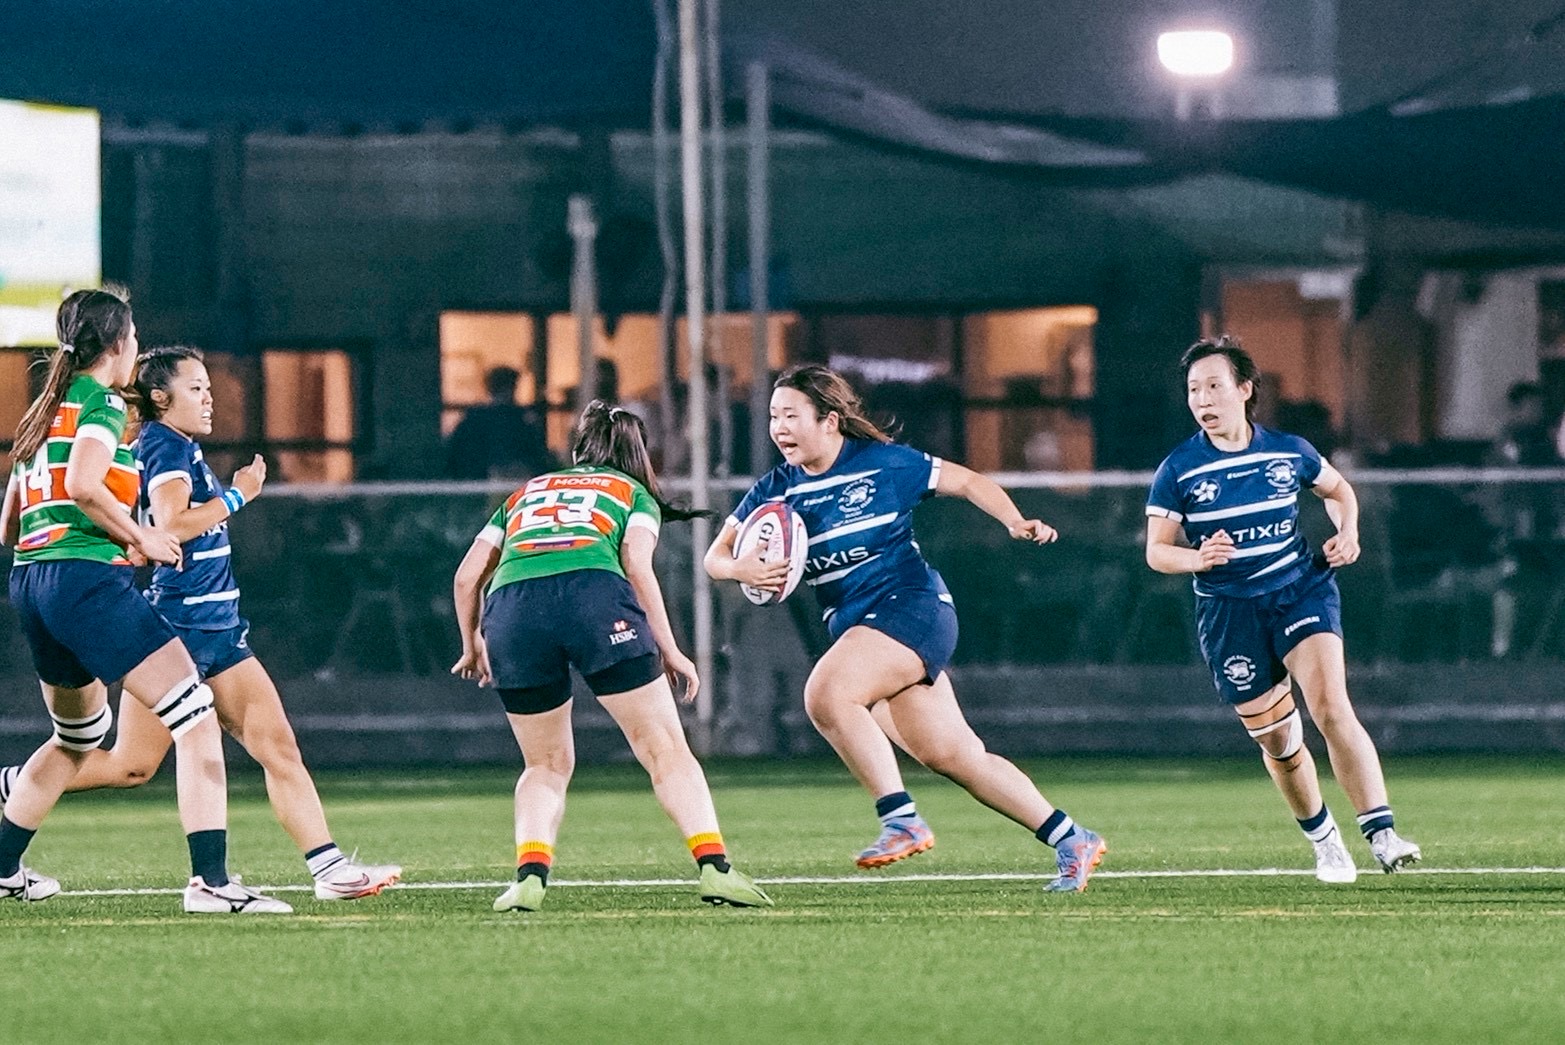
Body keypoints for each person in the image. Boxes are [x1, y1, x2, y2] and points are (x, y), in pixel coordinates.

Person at [0, 345, 401, 900]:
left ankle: (330, 869)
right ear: (160, 398)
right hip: (181, 625)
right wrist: (239, 494)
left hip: (219, 627)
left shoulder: (175, 444)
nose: (209, 398)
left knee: (273, 747)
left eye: (209, 388)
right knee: (133, 764)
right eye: (196, 389)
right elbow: (172, 522)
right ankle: (205, 879)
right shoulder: (164, 444)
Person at [703, 364, 1107, 893]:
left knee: (827, 695)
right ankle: (1072, 838)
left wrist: (1013, 520)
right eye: (774, 416)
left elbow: (968, 481)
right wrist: (740, 569)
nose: (779, 428)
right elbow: (715, 557)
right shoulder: (776, 489)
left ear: (829, 421)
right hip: (859, 628)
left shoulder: (883, 463)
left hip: (912, 607)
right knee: (954, 756)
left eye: (791, 416)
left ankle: (901, 819)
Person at [0, 289, 288, 912]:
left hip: (31, 582)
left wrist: (109, 539)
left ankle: (1, 866)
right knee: (196, 713)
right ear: (117, 343)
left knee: (78, 737)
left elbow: (10, 526)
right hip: (82, 584)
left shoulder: (40, 413)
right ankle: (210, 883)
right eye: (132, 336)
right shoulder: (102, 401)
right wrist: (139, 536)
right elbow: (82, 484)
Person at [450, 400, 771, 911]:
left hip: (512, 609)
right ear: (636, 453)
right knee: (665, 749)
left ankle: (529, 879)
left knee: (544, 764)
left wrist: (473, 643)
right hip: (595, 597)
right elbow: (637, 567)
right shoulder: (631, 492)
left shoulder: (525, 493)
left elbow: (468, 577)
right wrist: (671, 648)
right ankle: (716, 869)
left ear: (577, 450)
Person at [1144, 335, 1422, 883]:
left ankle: (1382, 834)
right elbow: (1156, 552)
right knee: (1280, 742)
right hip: (1229, 613)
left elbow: (1339, 491)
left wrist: (1349, 532)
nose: (1203, 399)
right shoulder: (1178, 469)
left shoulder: (1289, 451)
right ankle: (1325, 841)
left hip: (1299, 590)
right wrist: (1198, 558)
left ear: (1245, 390)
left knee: (1331, 708)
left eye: (1214, 386)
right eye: (1194, 389)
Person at [444, 366, 557, 480]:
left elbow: (457, 455)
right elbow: (536, 455)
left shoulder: (474, 418)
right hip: (511, 480)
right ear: (511, 388)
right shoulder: (521, 419)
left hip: (480, 481)